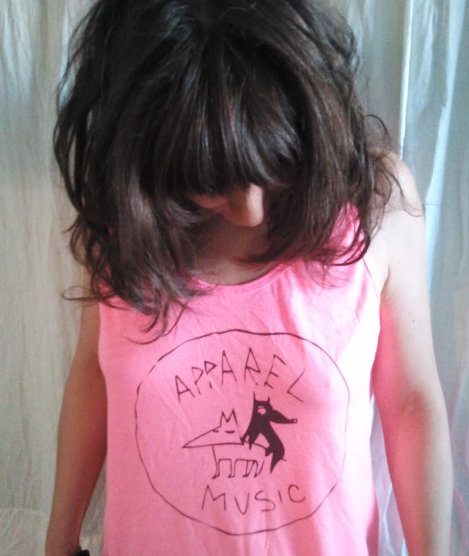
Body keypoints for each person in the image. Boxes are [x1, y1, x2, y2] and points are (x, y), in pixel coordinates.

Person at [45, 0, 453, 554]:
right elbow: (94, 379)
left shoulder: (376, 204)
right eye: (211, 181)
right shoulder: (127, 217)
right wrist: (59, 543)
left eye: (273, 163)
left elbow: (409, 404)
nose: (251, 210)